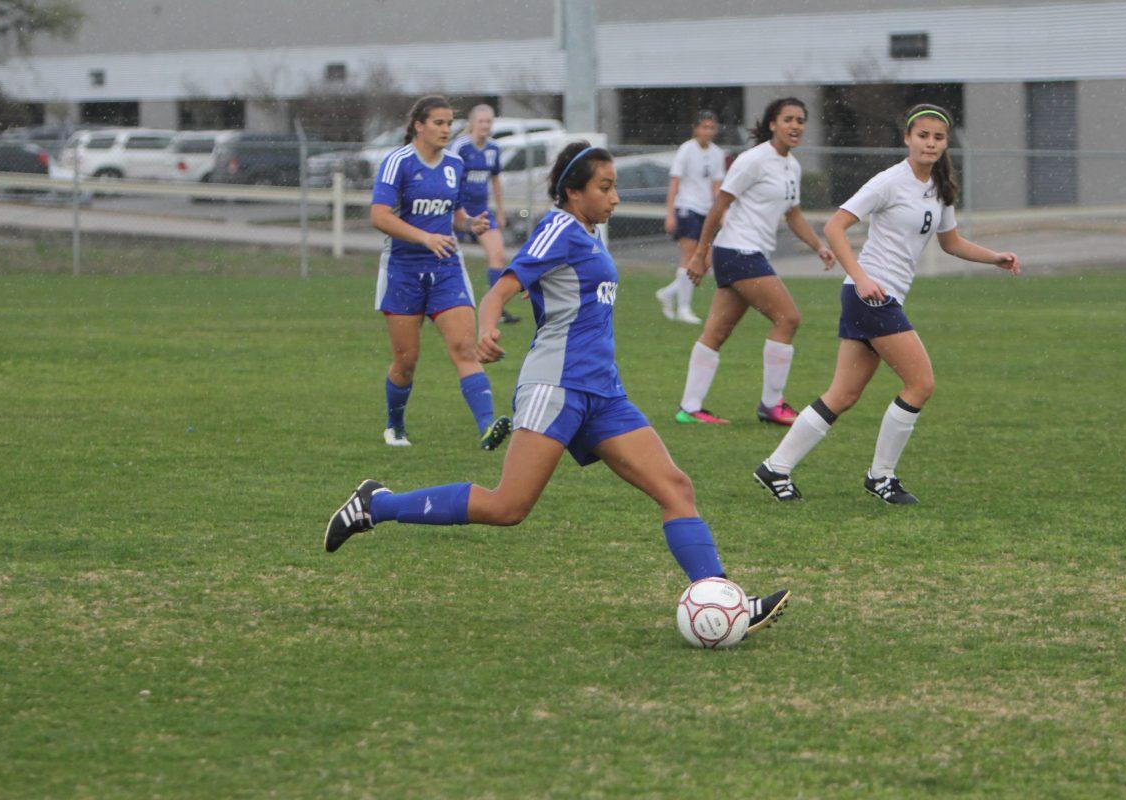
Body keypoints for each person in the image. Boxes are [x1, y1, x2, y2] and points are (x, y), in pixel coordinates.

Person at [326, 141, 790, 635]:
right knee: (508, 506)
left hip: (604, 393)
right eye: (604, 188)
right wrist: (487, 328)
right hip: (556, 387)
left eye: (616, 188)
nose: (615, 199)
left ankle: (724, 599)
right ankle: (377, 504)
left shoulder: (591, 236)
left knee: (675, 488)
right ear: (573, 192)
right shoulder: (558, 229)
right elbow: (503, 288)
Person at [753, 104, 1021, 504]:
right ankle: (881, 477)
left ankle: (775, 468)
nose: (930, 143)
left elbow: (951, 242)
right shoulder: (889, 181)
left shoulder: (939, 187)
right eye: (923, 135)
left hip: (877, 297)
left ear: (946, 143)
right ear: (908, 139)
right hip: (870, 297)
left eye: (938, 137)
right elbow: (835, 226)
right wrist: (862, 278)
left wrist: (994, 257)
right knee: (921, 383)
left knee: (842, 395)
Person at [676, 97, 835, 427]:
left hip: (747, 253)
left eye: (800, 120)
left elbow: (792, 214)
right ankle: (771, 404)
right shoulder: (753, 160)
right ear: (772, 124)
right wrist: (699, 253)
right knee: (788, 318)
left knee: (716, 333)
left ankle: (689, 409)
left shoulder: (792, 166)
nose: (795, 126)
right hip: (737, 251)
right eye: (788, 119)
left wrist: (819, 245)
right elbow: (719, 206)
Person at [371, 95, 511, 450]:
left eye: (450, 123)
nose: (447, 130)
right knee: (406, 361)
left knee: (464, 347)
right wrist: (424, 237)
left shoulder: (454, 163)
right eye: (439, 123)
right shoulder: (397, 162)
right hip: (403, 269)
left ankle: (487, 427)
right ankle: (395, 425)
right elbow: (380, 216)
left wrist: (469, 223)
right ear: (419, 125)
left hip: (446, 266)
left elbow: (454, 212)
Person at [448, 104, 521, 325]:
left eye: (488, 122)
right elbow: (447, 174)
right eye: (481, 121)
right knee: (443, 257)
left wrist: (500, 210)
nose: (485, 126)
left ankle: (495, 309)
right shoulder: (459, 146)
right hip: (456, 211)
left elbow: (495, 179)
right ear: (472, 124)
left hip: (481, 212)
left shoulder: (493, 149)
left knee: (498, 255)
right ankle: (440, 307)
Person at [655, 110, 726, 325]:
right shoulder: (686, 150)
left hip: (706, 211)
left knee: (706, 261)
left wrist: (721, 213)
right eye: (704, 127)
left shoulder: (717, 154)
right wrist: (670, 214)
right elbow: (674, 183)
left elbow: (717, 187)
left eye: (711, 127)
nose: (707, 131)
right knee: (689, 256)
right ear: (695, 129)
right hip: (687, 207)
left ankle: (668, 293)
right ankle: (684, 308)